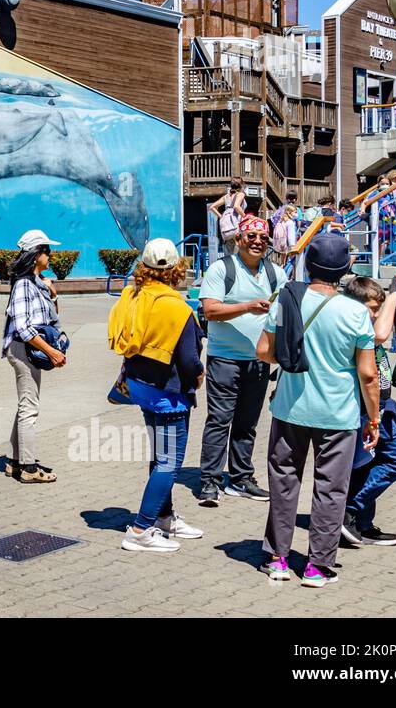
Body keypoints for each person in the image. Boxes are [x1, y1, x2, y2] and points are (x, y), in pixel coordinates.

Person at [256, 234, 380, 587]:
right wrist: (373, 417)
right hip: (339, 414)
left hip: (291, 408)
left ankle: (278, 558)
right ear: (345, 270)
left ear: (308, 264)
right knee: (331, 487)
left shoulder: (286, 299)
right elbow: (368, 374)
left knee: (284, 482)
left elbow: (263, 351)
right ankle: (317, 565)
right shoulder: (356, 311)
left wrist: (294, 357)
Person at [109, 239, 206, 551]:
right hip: (169, 394)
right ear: (177, 269)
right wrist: (199, 373)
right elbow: (190, 360)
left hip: (140, 386)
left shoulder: (131, 296)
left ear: (144, 267)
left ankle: (163, 517)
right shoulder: (178, 309)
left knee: (159, 455)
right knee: (169, 463)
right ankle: (140, 529)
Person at [197, 214, 287, 506]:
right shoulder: (221, 269)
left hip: (259, 360)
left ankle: (241, 479)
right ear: (238, 240)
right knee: (219, 421)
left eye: (263, 238)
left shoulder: (276, 273)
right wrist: (248, 307)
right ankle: (209, 481)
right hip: (224, 358)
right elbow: (210, 311)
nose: (258, 242)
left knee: (247, 424)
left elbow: (284, 314)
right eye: (251, 236)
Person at [340, 276, 396, 548]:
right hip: (365, 410)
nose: (376, 314)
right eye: (372, 308)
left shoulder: (374, 317)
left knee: (370, 465)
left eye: (378, 309)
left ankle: (361, 523)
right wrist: (391, 299)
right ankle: (348, 512)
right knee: (395, 462)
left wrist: (395, 298)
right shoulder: (356, 327)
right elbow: (379, 335)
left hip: (382, 407)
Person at [2, 229, 65, 483]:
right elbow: (22, 327)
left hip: (32, 349)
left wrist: (53, 294)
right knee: (30, 407)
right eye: (47, 250)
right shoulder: (23, 284)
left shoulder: (39, 283)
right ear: (35, 254)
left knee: (25, 405)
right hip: (23, 349)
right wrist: (51, 351)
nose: (50, 255)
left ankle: (15, 462)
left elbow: (53, 319)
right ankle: (28, 468)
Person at [209, 179, 247, 255]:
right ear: (241, 186)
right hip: (237, 229)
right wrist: (246, 217)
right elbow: (236, 206)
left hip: (227, 232)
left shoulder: (226, 197)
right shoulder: (240, 194)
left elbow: (212, 207)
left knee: (229, 259)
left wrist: (221, 216)